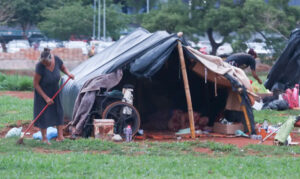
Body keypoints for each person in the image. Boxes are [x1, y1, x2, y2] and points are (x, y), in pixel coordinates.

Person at [33, 48, 74, 144]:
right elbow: (36, 84)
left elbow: (63, 68)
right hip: (43, 93)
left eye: (47, 63)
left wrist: (69, 74)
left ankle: (60, 136)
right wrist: (46, 98)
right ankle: (44, 138)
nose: (45, 65)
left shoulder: (57, 59)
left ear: (51, 59)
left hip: (55, 91)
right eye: (44, 64)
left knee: (59, 112)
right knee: (44, 115)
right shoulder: (40, 66)